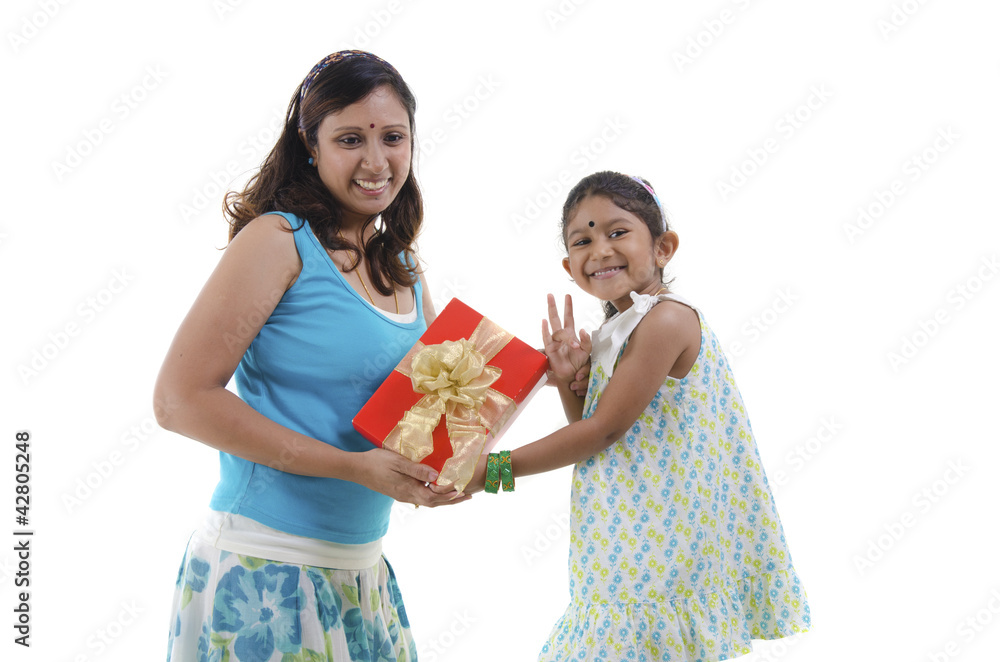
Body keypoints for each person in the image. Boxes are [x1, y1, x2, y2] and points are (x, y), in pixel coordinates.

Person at [154, 50, 467, 662]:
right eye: (351, 138)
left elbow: (432, 415)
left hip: (363, 574)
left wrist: (557, 377)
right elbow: (178, 401)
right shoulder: (278, 241)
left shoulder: (399, 264)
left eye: (393, 138)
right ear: (310, 145)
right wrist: (354, 468)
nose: (376, 161)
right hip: (266, 569)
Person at [466, 171, 812, 661]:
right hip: (620, 537)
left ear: (664, 247)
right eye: (582, 240)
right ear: (569, 265)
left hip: (659, 552)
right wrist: (571, 378)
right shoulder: (617, 328)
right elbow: (592, 429)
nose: (600, 249)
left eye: (617, 232)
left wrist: (491, 470)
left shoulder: (666, 320)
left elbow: (603, 432)